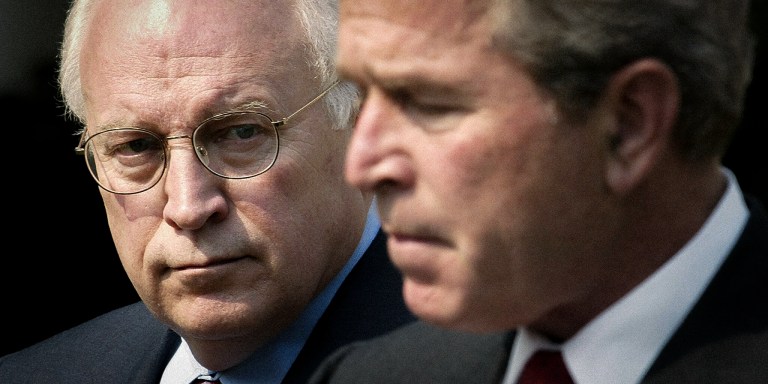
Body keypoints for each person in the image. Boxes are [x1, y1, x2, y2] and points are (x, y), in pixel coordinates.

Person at [309, 0, 768, 383]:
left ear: (628, 126)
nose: (362, 167)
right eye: (363, 95)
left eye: (429, 104)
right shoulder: (372, 375)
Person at [0, 0, 415, 382]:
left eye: (240, 133)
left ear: (362, 124)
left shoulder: (468, 363)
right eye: (135, 146)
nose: (188, 206)